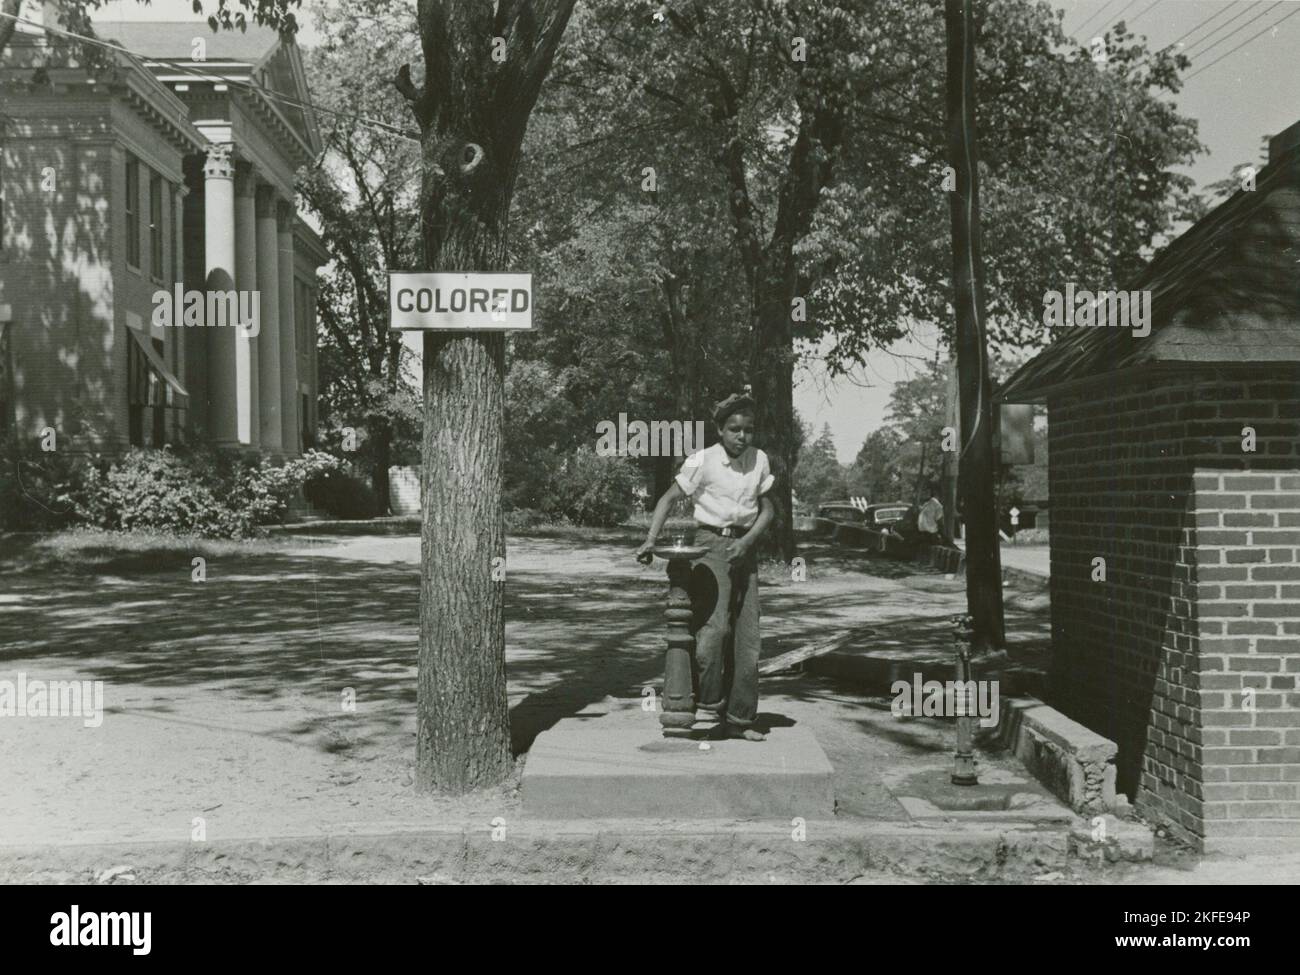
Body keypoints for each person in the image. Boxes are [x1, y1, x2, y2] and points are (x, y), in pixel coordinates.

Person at [636, 391, 776, 741]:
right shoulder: (702, 460)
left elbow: (769, 509)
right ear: (719, 429)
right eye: (734, 429)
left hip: (746, 548)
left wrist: (747, 542)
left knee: (748, 639)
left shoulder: (759, 460)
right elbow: (669, 498)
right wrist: (650, 540)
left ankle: (739, 720)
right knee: (713, 634)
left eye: (748, 429)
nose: (742, 436)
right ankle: (710, 701)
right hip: (709, 546)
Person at [917, 480, 944, 545]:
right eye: (923, 490)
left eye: (927, 491)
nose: (925, 492)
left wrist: (940, 534)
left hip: (931, 535)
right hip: (922, 535)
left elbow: (940, 521)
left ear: (931, 492)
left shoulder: (935, 504)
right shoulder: (922, 504)